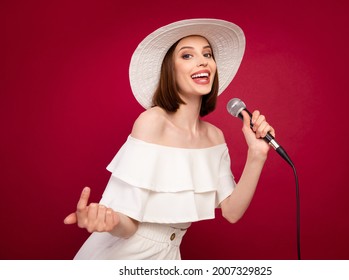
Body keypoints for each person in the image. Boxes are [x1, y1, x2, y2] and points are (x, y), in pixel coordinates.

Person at [64, 18, 275, 260]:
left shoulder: (214, 136)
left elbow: (232, 211)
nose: (202, 61)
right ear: (170, 70)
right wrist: (107, 221)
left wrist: (257, 155)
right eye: (187, 56)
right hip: (125, 254)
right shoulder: (152, 122)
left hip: (169, 255)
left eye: (207, 54)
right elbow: (128, 225)